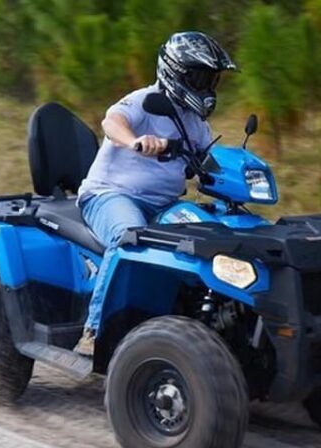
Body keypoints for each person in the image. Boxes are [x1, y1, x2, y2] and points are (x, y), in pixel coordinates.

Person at [73, 31, 237, 356]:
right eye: (200, 77)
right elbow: (111, 122)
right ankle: (93, 331)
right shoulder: (143, 101)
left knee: (210, 240)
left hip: (164, 204)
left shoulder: (195, 124)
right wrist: (135, 140)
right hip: (111, 195)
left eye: (211, 80)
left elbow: (214, 165)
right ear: (177, 73)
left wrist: (233, 180)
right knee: (129, 235)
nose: (207, 88)